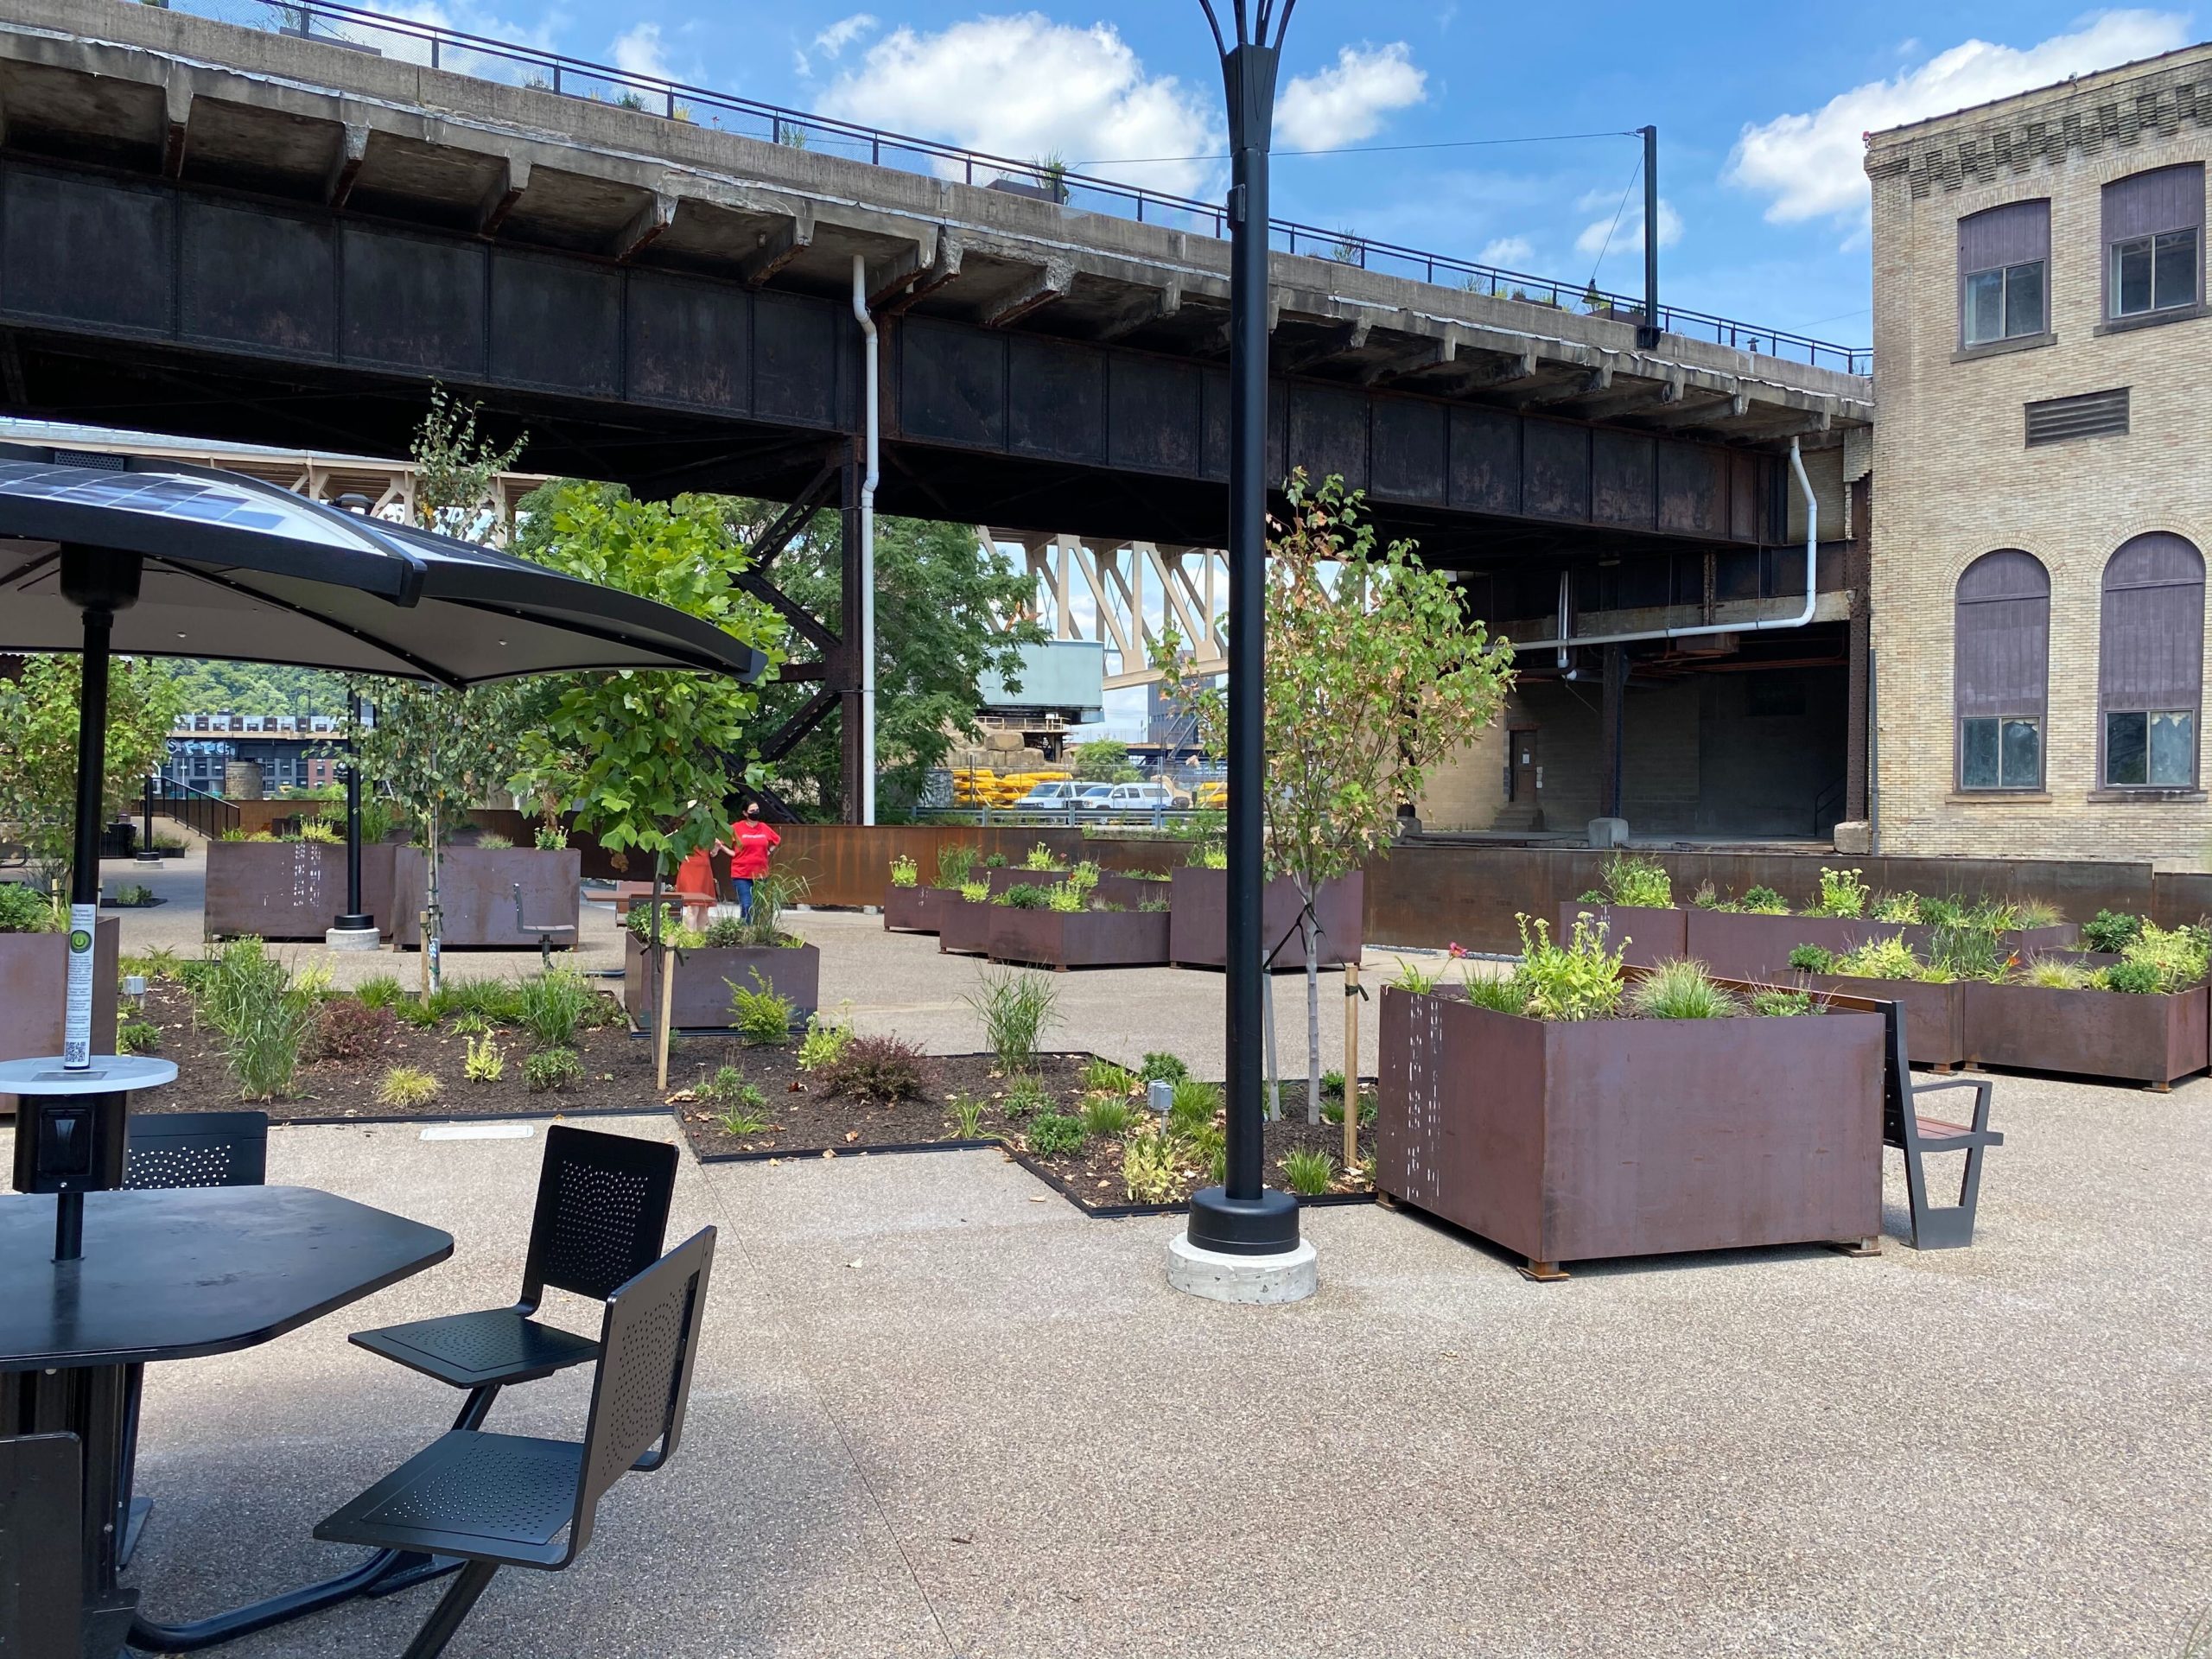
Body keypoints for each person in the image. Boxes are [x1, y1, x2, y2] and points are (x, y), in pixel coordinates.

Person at [722, 801, 781, 924]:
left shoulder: (764, 827)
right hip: (741, 873)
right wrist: (725, 850)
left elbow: (776, 840)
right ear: (745, 813)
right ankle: (745, 928)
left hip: (761, 874)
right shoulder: (736, 828)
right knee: (746, 904)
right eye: (752, 811)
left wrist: (769, 851)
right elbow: (721, 840)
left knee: (757, 906)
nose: (756, 813)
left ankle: (752, 930)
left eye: (757, 810)